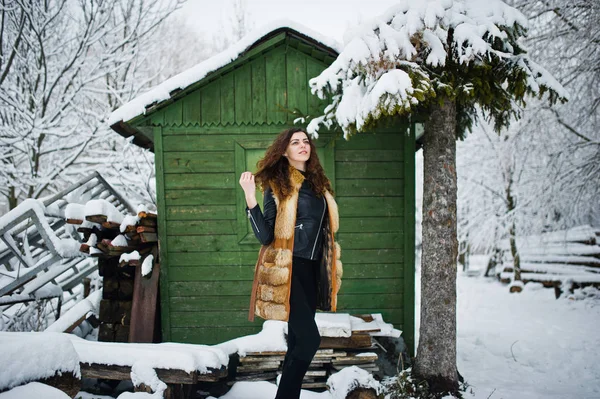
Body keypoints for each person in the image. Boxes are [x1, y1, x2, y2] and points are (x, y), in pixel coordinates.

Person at [239, 127, 342, 399]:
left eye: (305, 141)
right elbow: (265, 236)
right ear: (284, 150)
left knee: (298, 343)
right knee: (310, 340)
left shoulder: (319, 184)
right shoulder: (277, 184)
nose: (302, 145)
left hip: (312, 272)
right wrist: (250, 197)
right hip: (288, 270)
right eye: (295, 142)